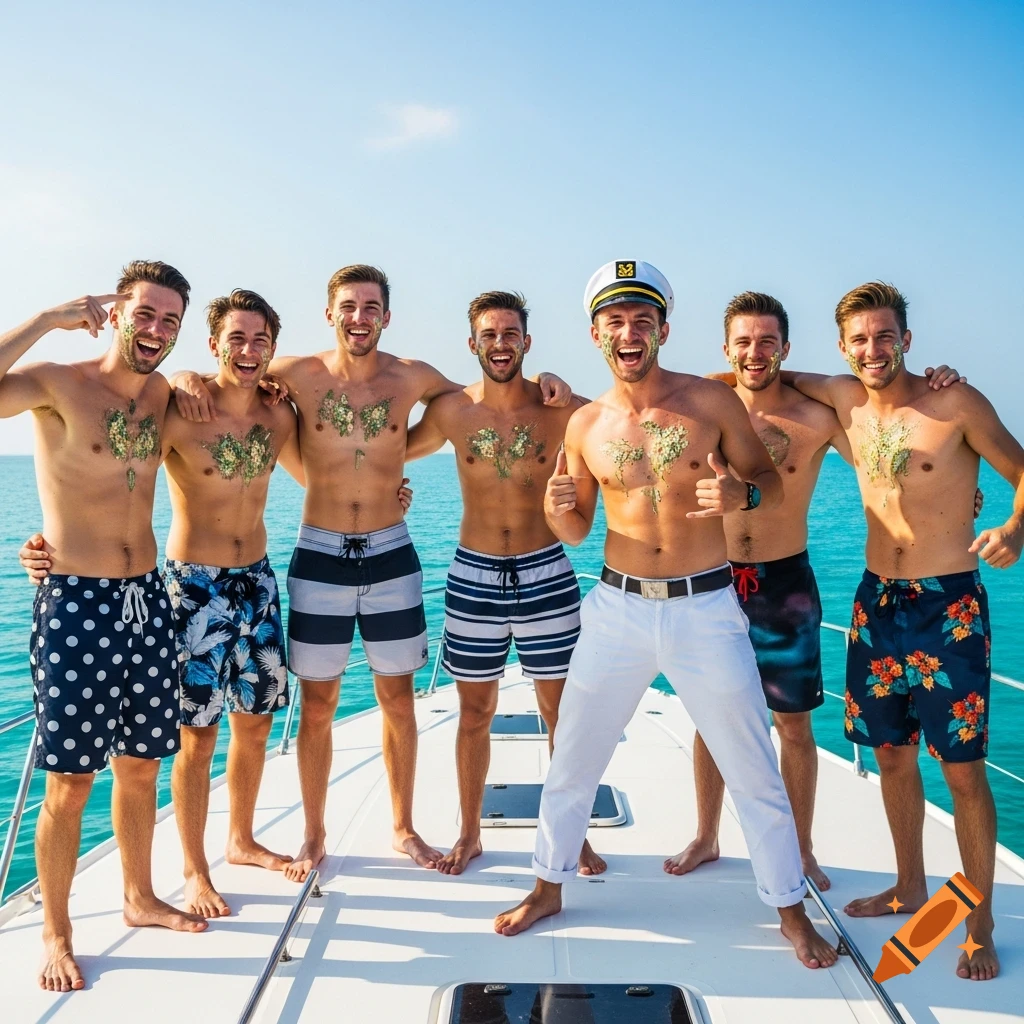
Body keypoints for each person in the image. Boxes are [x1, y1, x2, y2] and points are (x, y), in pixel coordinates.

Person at [19, 288, 416, 918]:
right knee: (195, 737)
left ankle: (242, 839)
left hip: (256, 582)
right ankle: (194, 868)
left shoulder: (278, 415)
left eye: (262, 340)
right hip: (188, 587)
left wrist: (385, 486)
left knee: (254, 725)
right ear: (212, 344)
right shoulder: (176, 407)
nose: (250, 350)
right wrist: (44, 544)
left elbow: (325, 469)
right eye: (237, 338)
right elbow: (111, 464)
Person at [493, 261, 838, 971]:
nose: (630, 332)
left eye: (643, 320)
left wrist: (741, 496)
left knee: (753, 768)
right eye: (616, 321)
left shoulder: (709, 404)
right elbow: (578, 528)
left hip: (705, 606)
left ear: (664, 330)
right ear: (596, 334)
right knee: (572, 762)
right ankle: (546, 886)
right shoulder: (585, 424)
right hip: (616, 608)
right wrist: (558, 512)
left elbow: (768, 482)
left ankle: (789, 910)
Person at [173, 265, 570, 881]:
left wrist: (549, 380)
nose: (359, 317)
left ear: (387, 316)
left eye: (371, 307)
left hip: (391, 551)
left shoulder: (414, 378)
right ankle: (313, 833)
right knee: (318, 703)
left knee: (398, 698)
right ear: (330, 314)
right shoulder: (293, 373)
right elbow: (226, 374)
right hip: (320, 552)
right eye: (348, 306)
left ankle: (403, 827)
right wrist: (184, 374)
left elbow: (484, 393)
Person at [665, 293, 972, 892]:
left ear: (786, 347)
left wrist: (956, 492)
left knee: (795, 726)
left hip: (786, 586)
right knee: (709, 717)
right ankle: (707, 834)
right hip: (710, 580)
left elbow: (890, 467)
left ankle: (799, 849)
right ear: (726, 349)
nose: (756, 353)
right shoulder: (702, 404)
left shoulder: (818, 416)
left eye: (767, 341)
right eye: (744, 342)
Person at [780, 281, 1024, 982]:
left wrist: (1012, 527)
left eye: (884, 336)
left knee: (964, 772)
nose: (872, 349)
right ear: (842, 347)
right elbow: (758, 370)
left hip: (949, 607)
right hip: (876, 604)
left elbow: (1022, 469)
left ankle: (978, 921)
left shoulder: (955, 403)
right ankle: (910, 886)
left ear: (907, 340)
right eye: (859, 339)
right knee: (891, 756)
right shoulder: (843, 398)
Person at [0, 262, 207, 993]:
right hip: (76, 603)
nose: (156, 332)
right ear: (117, 311)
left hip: (148, 597)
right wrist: (47, 319)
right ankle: (57, 931)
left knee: (143, 764)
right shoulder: (58, 382)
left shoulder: (165, 395)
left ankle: (139, 895)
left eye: (170, 323)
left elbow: (243, 401)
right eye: (145, 315)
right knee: (70, 778)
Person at [405, 290, 604, 876]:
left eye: (510, 333)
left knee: (561, 713)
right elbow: (386, 446)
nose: (499, 344)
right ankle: (469, 834)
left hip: (547, 569)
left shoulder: (559, 409)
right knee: (474, 711)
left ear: (526, 342)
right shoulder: (450, 411)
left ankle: (576, 836)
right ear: (472, 343)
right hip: (474, 572)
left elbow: (620, 420)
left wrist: (562, 384)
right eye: (488, 334)